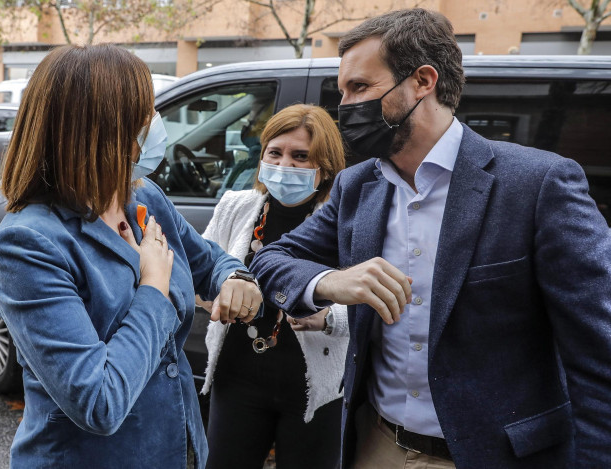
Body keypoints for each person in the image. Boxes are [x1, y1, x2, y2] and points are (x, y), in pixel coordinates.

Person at [250, 8, 611, 469]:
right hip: (376, 445)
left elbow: (598, 357)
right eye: (342, 90)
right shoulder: (356, 186)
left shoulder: (538, 185)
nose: (343, 106)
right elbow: (275, 258)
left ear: (423, 81)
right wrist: (327, 282)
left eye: (360, 87)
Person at [0, 44, 262, 469]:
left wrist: (236, 279)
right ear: (102, 129)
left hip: (177, 448)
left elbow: (208, 260)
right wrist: (153, 287)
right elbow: (99, 401)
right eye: (145, 113)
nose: (155, 124)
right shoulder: (30, 242)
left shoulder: (141, 194)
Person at [200, 104, 348, 469]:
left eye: (301, 157)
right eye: (275, 153)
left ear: (325, 167)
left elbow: (367, 301)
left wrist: (328, 318)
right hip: (236, 380)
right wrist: (215, 298)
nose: (285, 165)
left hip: (313, 389)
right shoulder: (236, 206)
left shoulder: (345, 221)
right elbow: (200, 270)